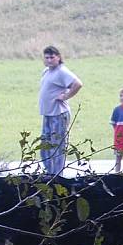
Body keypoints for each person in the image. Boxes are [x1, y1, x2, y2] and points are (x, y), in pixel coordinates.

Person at [39, 45, 83, 176]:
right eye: (46, 57)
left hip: (59, 114)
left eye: (52, 57)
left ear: (58, 57)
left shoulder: (62, 71)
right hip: (48, 114)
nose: (49, 60)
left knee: (57, 147)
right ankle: (50, 172)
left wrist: (66, 96)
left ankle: (58, 176)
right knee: (45, 147)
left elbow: (77, 84)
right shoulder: (46, 71)